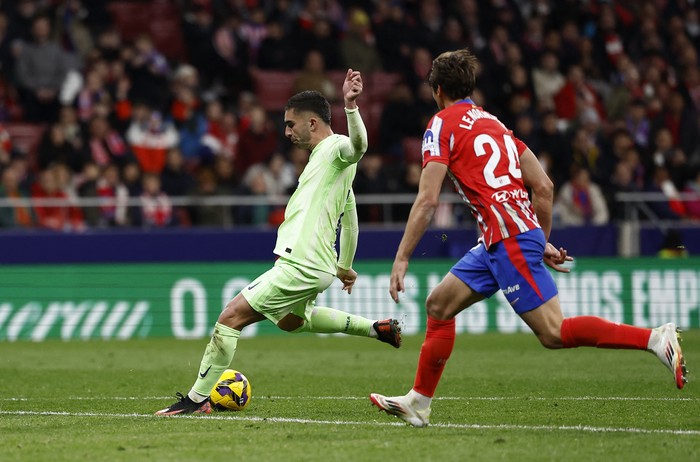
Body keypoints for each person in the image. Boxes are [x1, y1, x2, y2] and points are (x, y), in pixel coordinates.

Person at [369, 49, 687, 428]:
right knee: (439, 305)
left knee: (553, 332)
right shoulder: (495, 124)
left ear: (437, 90)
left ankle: (654, 338)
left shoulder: (440, 125)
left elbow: (427, 200)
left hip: (508, 240)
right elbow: (544, 186)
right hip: (499, 240)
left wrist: (402, 256)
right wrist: (539, 238)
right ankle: (419, 403)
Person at [156, 70, 402, 415]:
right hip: (319, 266)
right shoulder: (330, 167)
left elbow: (359, 145)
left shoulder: (335, 150)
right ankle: (377, 330)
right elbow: (352, 219)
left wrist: (350, 106)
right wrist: (344, 265)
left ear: (312, 123)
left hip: (300, 263)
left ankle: (194, 402)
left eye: (291, 124)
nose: (287, 132)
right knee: (294, 321)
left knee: (230, 318)